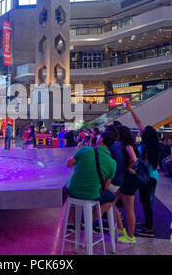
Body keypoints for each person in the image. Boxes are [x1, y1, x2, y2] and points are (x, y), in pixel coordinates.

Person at [65, 130, 117, 228]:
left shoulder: (84, 150)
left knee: (71, 185)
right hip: (92, 195)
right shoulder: (112, 163)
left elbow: (68, 164)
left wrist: (77, 149)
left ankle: (71, 223)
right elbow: (105, 187)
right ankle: (88, 221)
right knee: (112, 198)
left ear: (100, 140)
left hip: (73, 191)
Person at [124, 101, 159, 237]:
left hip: (147, 177)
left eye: (142, 131)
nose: (140, 130)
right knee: (146, 202)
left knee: (146, 203)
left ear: (145, 135)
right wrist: (131, 110)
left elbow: (143, 166)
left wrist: (134, 171)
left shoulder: (146, 149)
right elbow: (139, 124)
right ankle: (147, 224)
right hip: (151, 175)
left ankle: (149, 229)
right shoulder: (151, 144)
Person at [110, 125, 139, 244]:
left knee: (129, 209)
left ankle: (130, 236)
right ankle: (121, 228)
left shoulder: (127, 146)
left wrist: (127, 167)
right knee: (112, 202)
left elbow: (133, 158)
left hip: (129, 180)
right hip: (125, 180)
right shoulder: (123, 145)